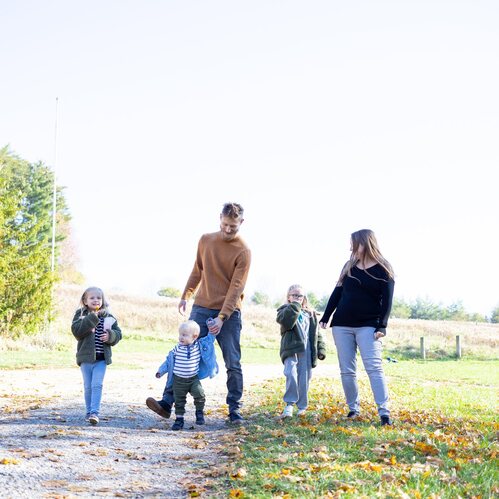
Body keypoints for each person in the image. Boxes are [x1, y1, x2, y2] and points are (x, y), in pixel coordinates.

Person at [145, 202, 251, 424]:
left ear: (241, 222)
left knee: (233, 361)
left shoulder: (243, 251)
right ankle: (167, 403)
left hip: (229, 313)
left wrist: (222, 317)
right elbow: (198, 270)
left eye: (233, 226)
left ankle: (234, 410)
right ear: (219, 218)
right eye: (225, 224)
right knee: (183, 351)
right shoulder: (206, 240)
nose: (228, 229)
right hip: (202, 307)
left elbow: (236, 287)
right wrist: (186, 295)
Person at [319, 229, 395, 426]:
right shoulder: (349, 266)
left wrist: (382, 326)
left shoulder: (384, 269)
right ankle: (353, 409)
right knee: (347, 370)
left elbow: (387, 301)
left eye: (354, 243)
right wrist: (326, 316)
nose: (351, 247)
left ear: (365, 243)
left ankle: (384, 412)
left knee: (374, 368)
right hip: (342, 324)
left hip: (369, 325)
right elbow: (337, 293)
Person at [152, 320, 218, 430]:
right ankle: (179, 420)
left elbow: (210, 339)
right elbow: (168, 361)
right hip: (178, 380)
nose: (181, 338)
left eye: (184, 335)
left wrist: (211, 329)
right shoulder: (177, 348)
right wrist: (160, 371)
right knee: (179, 401)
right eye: (180, 334)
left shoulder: (198, 346)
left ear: (194, 336)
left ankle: (199, 413)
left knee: (200, 394)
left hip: (193, 379)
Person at [71, 286, 122, 425]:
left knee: (97, 385)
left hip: (101, 359)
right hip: (85, 358)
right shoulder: (81, 314)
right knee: (88, 386)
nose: (95, 300)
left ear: (102, 300)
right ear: (85, 301)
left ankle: (94, 413)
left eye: (98, 298)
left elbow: (118, 333)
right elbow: (77, 332)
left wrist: (110, 336)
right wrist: (93, 317)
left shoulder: (108, 316)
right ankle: (88, 412)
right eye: (92, 298)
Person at [276, 284, 326, 418]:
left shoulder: (310, 314)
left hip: (306, 350)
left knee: (304, 378)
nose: (298, 298)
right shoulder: (284, 310)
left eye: (300, 296)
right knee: (290, 373)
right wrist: (295, 306)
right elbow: (287, 323)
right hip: (291, 349)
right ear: (289, 297)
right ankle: (289, 405)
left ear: (304, 298)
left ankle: (302, 407)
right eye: (294, 295)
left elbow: (317, 334)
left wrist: (321, 349)